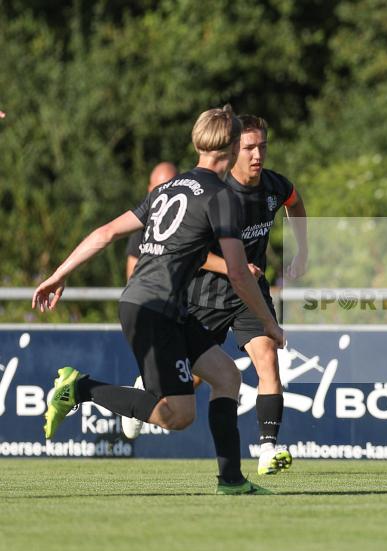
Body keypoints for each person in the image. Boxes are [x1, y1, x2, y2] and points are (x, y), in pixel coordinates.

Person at [32, 105, 286, 495]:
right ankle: (80, 389)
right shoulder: (221, 197)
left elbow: (104, 233)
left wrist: (57, 274)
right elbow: (239, 272)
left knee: (227, 376)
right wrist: (268, 322)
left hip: (157, 304)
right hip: (155, 308)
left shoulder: (170, 187)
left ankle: (232, 481)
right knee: (176, 414)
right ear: (234, 146)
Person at [123, 114, 307, 477]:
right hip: (204, 296)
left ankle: (268, 450)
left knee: (267, 358)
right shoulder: (215, 194)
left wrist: (303, 251)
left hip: (248, 296)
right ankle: (143, 394)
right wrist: (232, 268)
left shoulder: (274, 186)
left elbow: (295, 203)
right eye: (249, 147)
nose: (257, 155)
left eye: (262, 147)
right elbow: (190, 251)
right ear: (232, 149)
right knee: (192, 376)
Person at [125, 162, 178, 279]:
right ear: (150, 190)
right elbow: (132, 269)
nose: (164, 196)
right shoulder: (143, 221)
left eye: (170, 189)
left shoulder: (189, 216)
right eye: (159, 189)